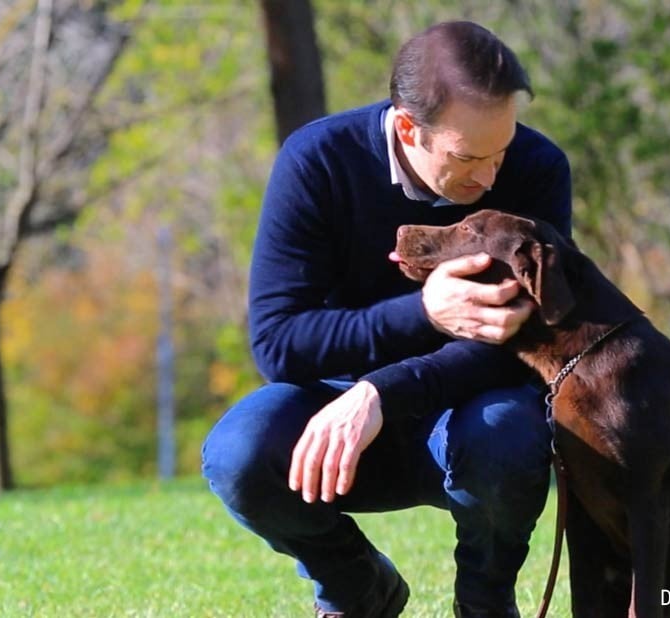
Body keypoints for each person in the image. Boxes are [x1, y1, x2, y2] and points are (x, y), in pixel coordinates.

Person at [201, 20, 572, 618]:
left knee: (510, 434)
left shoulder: (538, 168)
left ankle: (485, 603)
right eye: (468, 157)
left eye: (501, 151)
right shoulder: (317, 161)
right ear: (407, 126)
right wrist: (423, 312)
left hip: (471, 406)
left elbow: (521, 334)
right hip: (334, 405)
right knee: (238, 452)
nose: (490, 178)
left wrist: (385, 388)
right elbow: (277, 343)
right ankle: (356, 589)